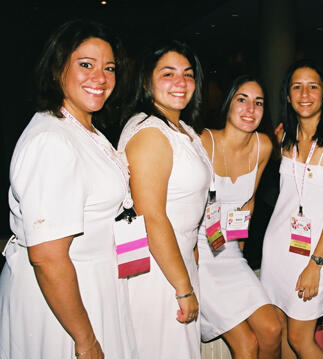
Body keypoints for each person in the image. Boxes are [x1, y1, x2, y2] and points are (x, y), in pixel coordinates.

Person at [0, 19, 137, 358]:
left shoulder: (85, 130)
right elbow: (47, 258)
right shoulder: (51, 140)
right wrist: (84, 338)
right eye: (86, 65)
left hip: (94, 284)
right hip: (63, 303)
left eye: (109, 68)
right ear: (57, 68)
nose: (100, 78)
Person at [117, 40, 211, 358]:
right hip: (159, 273)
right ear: (147, 81)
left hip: (176, 260)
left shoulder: (180, 128)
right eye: (167, 73)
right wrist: (183, 287)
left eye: (187, 74)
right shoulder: (150, 134)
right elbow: (152, 217)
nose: (180, 82)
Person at [260, 59, 323, 359]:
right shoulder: (284, 137)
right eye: (296, 87)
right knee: (284, 330)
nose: (305, 93)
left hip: (314, 253)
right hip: (278, 248)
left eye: (313, 86)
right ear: (287, 96)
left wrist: (316, 264)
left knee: (302, 339)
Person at [197, 74, 281, 358]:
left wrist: (240, 252)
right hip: (199, 255)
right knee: (247, 345)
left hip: (229, 251)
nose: (250, 109)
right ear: (228, 103)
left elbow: (249, 203)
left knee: (272, 330)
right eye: (242, 100)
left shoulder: (263, 146)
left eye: (258, 103)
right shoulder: (202, 142)